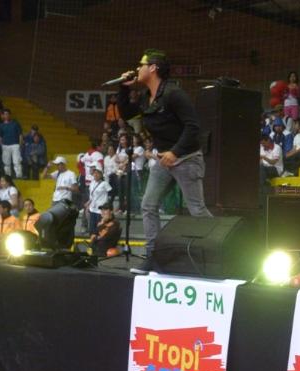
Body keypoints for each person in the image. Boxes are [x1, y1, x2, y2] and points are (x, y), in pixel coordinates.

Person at [117, 49, 212, 273]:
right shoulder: (146, 98)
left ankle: (215, 254)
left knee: (196, 209)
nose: (137, 68)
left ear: (153, 68)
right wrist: (123, 88)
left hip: (186, 158)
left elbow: (193, 127)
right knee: (148, 205)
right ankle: (154, 257)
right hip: (164, 160)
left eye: (141, 65)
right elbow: (127, 114)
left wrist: (175, 152)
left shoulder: (174, 94)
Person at [85, 168, 112, 235]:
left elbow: (111, 193)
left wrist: (107, 206)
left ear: (101, 175)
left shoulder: (105, 183)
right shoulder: (92, 183)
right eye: (94, 173)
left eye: (97, 173)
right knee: (92, 228)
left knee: (100, 228)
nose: (96, 174)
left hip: (100, 210)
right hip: (92, 208)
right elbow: (91, 195)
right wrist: (88, 203)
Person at [0, 109, 23, 178]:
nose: (6, 115)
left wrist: (20, 145)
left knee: (17, 161)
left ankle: (19, 176)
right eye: (5, 114)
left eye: (7, 114)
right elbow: (0, 137)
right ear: (3, 115)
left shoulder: (15, 124)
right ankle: (8, 176)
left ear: (10, 115)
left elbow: (20, 135)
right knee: (6, 163)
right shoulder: (1, 125)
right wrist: (2, 145)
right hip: (5, 145)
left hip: (15, 145)